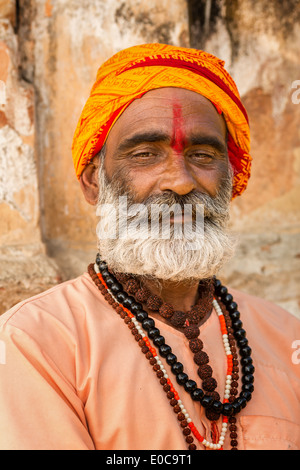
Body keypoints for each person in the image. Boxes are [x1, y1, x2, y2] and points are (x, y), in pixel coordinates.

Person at [0, 43, 299, 451]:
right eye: (145, 154)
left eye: (202, 154)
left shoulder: (286, 337)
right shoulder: (37, 341)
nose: (180, 181)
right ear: (93, 183)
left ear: (229, 181)